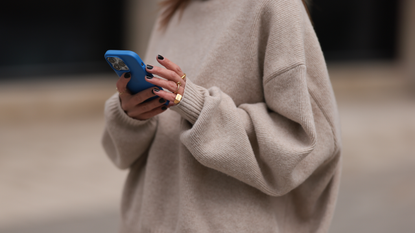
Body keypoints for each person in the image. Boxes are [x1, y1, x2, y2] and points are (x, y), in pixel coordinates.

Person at [102, 0, 342, 232]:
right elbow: (122, 155)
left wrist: (196, 105)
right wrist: (130, 114)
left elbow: (307, 142)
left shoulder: (275, 6)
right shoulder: (174, 11)